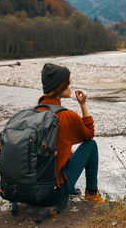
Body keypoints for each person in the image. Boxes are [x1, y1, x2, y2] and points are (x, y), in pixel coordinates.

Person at [36, 63, 105, 203]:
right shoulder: (66, 116)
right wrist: (83, 104)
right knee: (91, 145)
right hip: (54, 193)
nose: (71, 86)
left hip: (32, 190)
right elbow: (89, 133)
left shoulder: (35, 112)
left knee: (67, 151)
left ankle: (73, 190)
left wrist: (67, 149)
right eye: (69, 82)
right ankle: (92, 193)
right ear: (60, 85)